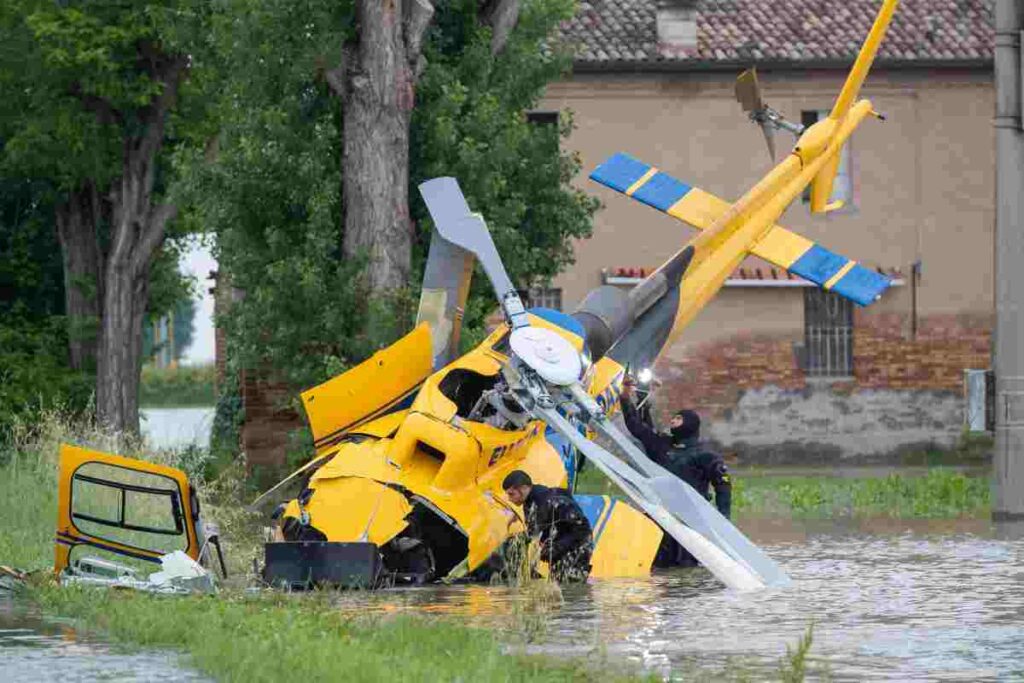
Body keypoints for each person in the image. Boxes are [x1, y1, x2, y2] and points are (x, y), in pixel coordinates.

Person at [619, 377, 732, 566]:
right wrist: (624, 397)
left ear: (689, 424)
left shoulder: (705, 455)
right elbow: (637, 426)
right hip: (661, 516)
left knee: (687, 566)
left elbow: (724, 486)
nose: (673, 419)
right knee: (657, 564)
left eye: (679, 418)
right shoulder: (661, 444)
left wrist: (724, 519)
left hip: (692, 520)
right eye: (674, 417)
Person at [502, 470, 593, 582]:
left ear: (523, 488)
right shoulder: (529, 503)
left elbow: (583, 528)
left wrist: (558, 547)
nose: (509, 499)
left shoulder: (551, 500)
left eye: (511, 494)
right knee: (558, 589)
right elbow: (535, 532)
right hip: (559, 550)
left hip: (577, 550)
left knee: (571, 589)